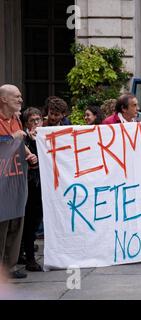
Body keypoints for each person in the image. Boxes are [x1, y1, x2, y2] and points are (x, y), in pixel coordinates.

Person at [0, 84, 38, 279]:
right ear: (4, 99)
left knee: (16, 223)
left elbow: (20, 144)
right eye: (16, 96)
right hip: (1, 183)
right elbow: (9, 141)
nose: (21, 100)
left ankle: (12, 265)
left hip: (16, 179)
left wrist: (30, 154)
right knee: (2, 224)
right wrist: (10, 137)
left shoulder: (16, 119)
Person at [19, 107, 44, 271]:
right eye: (32, 121)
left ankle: (23, 252)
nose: (36, 123)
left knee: (35, 221)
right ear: (26, 124)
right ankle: (29, 258)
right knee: (29, 221)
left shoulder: (46, 136)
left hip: (43, 185)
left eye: (38, 120)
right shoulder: (24, 139)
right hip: (30, 185)